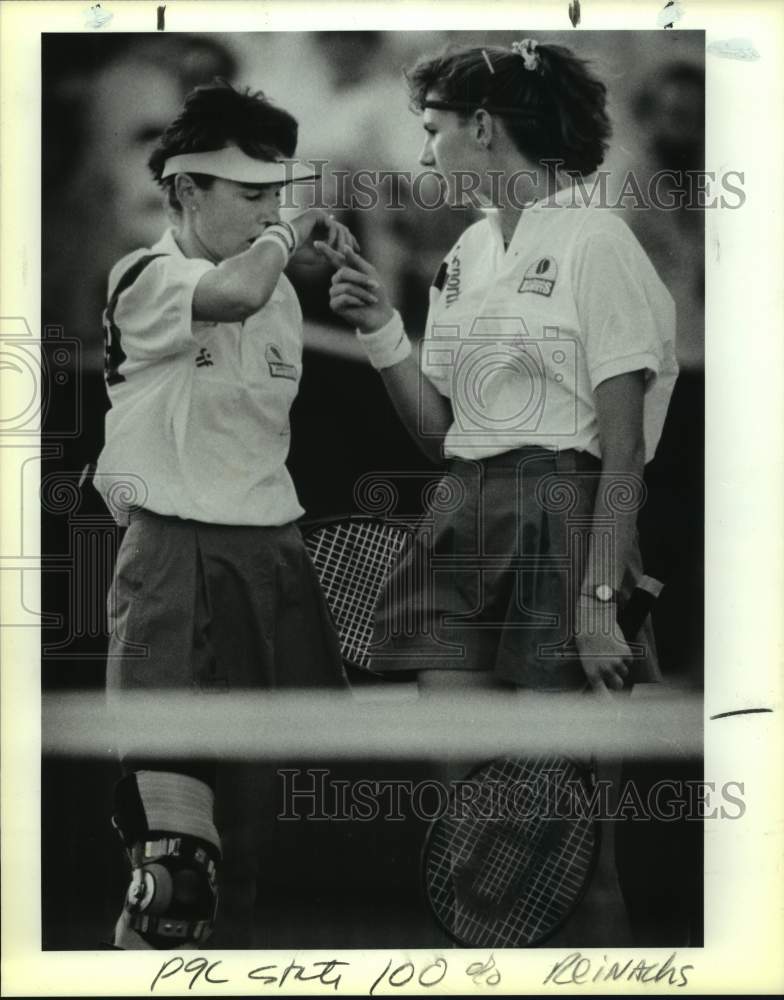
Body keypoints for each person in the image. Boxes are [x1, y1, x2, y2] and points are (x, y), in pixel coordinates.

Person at [322, 39, 679, 943]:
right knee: (474, 833)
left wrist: (600, 606)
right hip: (463, 513)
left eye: (435, 130)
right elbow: (440, 431)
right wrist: (380, 333)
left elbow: (625, 452)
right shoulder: (464, 256)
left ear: (485, 128)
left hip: (565, 519)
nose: (425, 152)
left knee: (572, 849)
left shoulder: (599, 240)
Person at [96, 80, 355, 949]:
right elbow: (236, 291)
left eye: (275, 197)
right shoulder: (145, 275)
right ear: (184, 191)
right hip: (171, 564)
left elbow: (259, 292)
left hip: (267, 564)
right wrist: (286, 236)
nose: (265, 215)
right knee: (173, 866)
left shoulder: (277, 289)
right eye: (249, 197)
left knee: (243, 853)